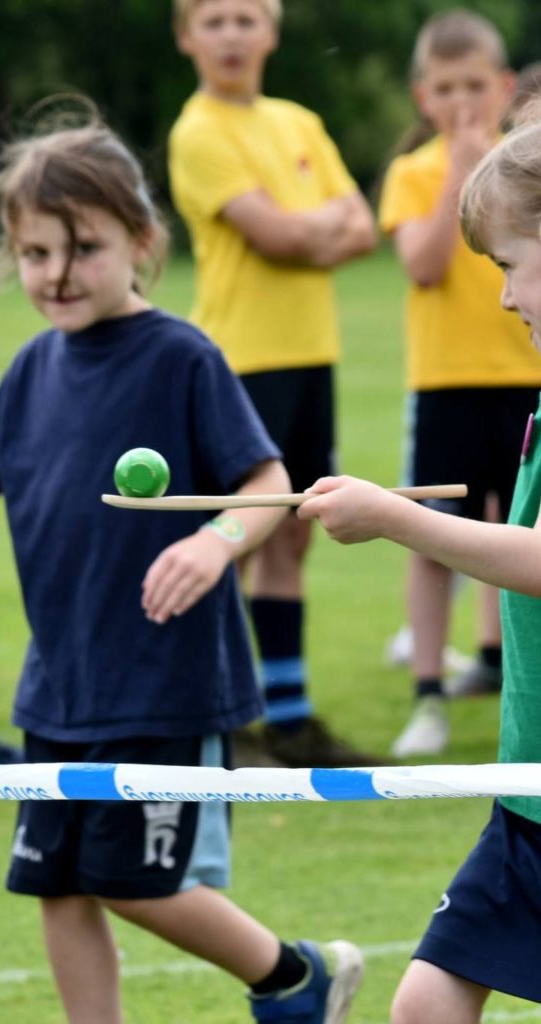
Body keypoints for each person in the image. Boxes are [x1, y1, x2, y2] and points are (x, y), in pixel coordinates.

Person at [0, 110, 364, 1024]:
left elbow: (267, 482)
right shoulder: (30, 369)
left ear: (142, 241)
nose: (57, 274)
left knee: (132, 881)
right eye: (35, 253)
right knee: (56, 884)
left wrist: (212, 541)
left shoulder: (182, 356)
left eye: (84, 249)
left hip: (163, 681)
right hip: (58, 682)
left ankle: (295, 979)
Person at [298, 110, 541, 1021]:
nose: (504, 299)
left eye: (511, 266)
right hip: (525, 797)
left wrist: (397, 518)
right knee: (426, 1006)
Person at [168, 0, 379, 769]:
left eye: (246, 18)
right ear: (186, 37)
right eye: (214, 20)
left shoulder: (299, 122)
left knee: (294, 531)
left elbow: (363, 228)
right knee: (237, 534)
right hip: (239, 362)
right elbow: (279, 235)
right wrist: (314, 228)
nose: (231, 34)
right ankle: (219, 724)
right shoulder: (198, 131)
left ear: (272, 31)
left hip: (310, 354)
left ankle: (289, 723)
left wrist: (307, 233)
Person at [378, 9, 541, 755]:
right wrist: (458, 172)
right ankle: (427, 693)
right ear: (423, 97)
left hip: (521, 382)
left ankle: (496, 664)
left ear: (504, 87)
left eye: (475, 86)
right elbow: (423, 264)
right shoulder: (414, 173)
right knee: (439, 532)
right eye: (445, 89)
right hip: (445, 381)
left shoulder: (525, 176)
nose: (461, 102)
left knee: (513, 524)